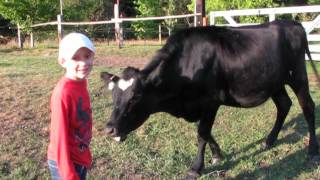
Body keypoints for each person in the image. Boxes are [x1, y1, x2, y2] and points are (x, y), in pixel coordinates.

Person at [47, 32, 95, 180]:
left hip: (78, 156)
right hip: (66, 162)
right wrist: (68, 174)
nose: (83, 63)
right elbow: (58, 137)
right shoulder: (63, 93)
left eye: (87, 56)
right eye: (75, 58)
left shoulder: (80, 83)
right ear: (63, 61)